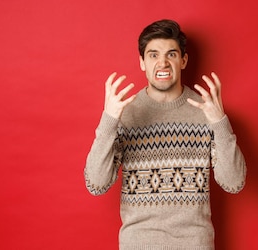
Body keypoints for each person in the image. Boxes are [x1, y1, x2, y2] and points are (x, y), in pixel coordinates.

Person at [84, 19, 246, 250]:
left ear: (183, 60)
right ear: (142, 62)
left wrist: (220, 122)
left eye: (171, 54)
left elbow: (234, 183)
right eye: (153, 55)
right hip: (137, 244)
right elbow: (96, 184)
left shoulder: (206, 111)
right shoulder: (124, 113)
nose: (162, 62)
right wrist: (109, 120)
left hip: (195, 244)